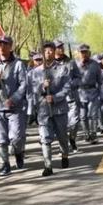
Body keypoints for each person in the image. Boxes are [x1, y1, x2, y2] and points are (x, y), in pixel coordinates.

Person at [0, 35, 28, 176]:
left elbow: (23, 85)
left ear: (10, 46)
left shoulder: (18, 64)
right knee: (1, 139)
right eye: (0, 44)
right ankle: (5, 164)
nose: (2, 47)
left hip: (15, 108)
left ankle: (19, 152)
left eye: (5, 44)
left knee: (17, 137)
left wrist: (14, 99)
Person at [29, 41, 71, 176]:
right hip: (43, 109)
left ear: (55, 52)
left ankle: (64, 154)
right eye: (45, 51)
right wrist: (42, 86)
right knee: (45, 138)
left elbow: (67, 88)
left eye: (51, 50)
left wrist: (55, 97)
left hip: (59, 108)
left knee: (62, 136)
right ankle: (48, 165)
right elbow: (32, 90)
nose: (48, 53)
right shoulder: (35, 72)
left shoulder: (63, 69)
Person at [54, 40, 81, 153]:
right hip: (58, 100)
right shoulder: (50, 64)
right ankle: (63, 146)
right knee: (62, 126)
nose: (61, 48)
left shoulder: (71, 62)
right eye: (58, 47)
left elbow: (78, 77)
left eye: (62, 46)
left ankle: (72, 138)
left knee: (74, 122)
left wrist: (71, 84)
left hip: (71, 97)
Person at [74, 44, 103, 145]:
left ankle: (93, 134)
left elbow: (100, 81)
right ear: (79, 54)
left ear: (89, 53)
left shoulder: (95, 64)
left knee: (92, 115)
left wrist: (102, 94)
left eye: (86, 52)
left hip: (93, 92)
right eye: (82, 52)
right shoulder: (75, 65)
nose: (84, 54)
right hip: (80, 93)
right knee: (83, 116)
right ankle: (86, 133)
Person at [26, 51, 43, 127]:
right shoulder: (30, 73)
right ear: (33, 61)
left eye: (40, 60)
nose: (38, 62)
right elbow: (28, 87)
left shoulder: (46, 71)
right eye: (36, 60)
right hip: (33, 96)